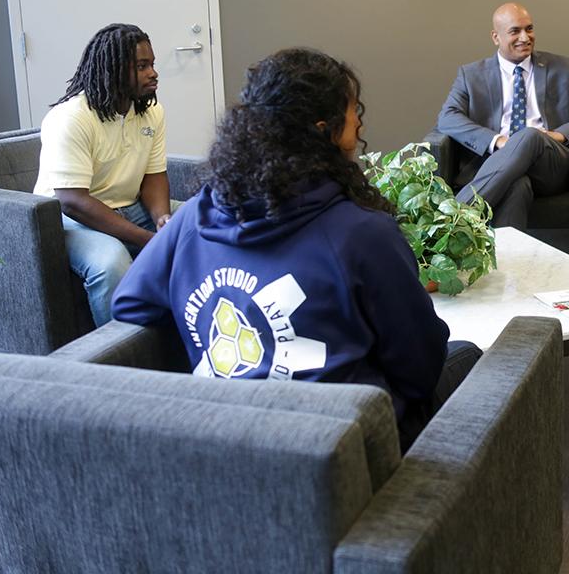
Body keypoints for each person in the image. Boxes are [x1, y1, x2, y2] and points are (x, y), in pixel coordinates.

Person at [112, 48, 477, 449]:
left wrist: (219, 364)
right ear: (326, 131)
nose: (358, 121)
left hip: (222, 441)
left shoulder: (194, 217)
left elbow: (131, 305)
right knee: (467, 357)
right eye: (353, 111)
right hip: (342, 458)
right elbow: (420, 366)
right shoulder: (362, 234)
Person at [34, 23, 177, 326]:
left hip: (129, 205)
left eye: (152, 64)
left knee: (198, 220)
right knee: (111, 263)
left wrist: (163, 219)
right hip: (68, 217)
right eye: (142, 66)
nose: (153, 73)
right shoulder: (70, 118)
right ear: (113, 69)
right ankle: (119, 360)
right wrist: (148, 239)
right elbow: (72, 201)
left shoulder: (152, 111)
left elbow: (153, 175)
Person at [436, 2, 569, 228]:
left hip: (551, 164)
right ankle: (509, 262)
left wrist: (558, 135)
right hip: (499, 164)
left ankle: (453, 220)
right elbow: (448, 117)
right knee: (518, 186)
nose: (525, 38)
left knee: (530, 136)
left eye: (529, 29)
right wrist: (498, 141)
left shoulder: (562, 67)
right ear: (496, 37)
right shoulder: (472, 74)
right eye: (515, 31)